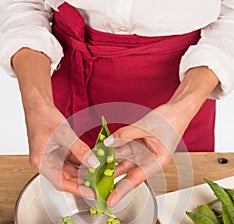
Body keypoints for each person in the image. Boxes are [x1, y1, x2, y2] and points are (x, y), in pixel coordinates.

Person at [0, 1, 234, 209]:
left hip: (188, 86)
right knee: (73, 192)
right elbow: (21, 4)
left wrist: (184, 105)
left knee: (187, 209)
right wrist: (37, 105)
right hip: (67, 75)